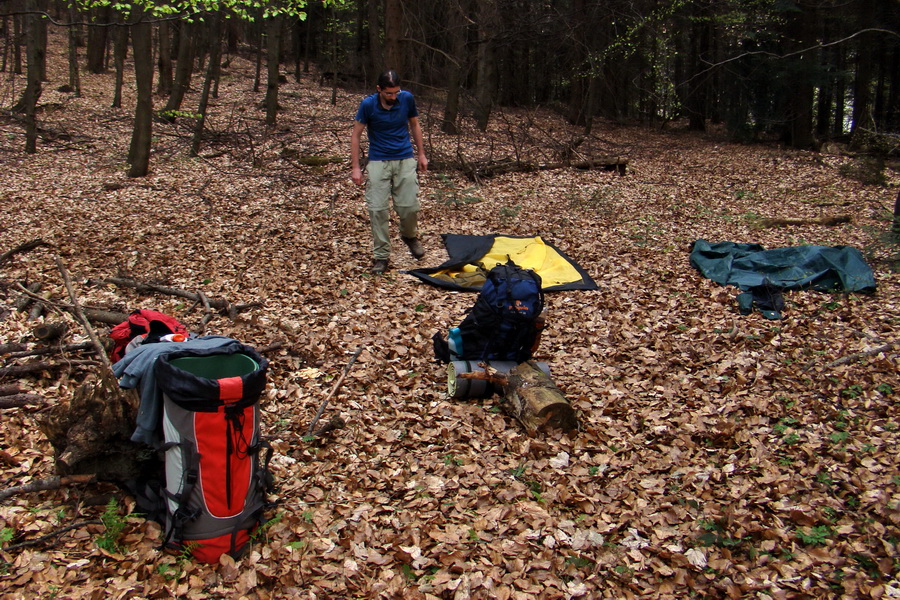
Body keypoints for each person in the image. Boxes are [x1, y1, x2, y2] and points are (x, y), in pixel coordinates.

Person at [351, 70, 428, 274]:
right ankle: (382, 256)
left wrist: (421, 154)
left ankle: (409, 236)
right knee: (377, 210)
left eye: (396, 93)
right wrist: (356, 167)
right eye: (388, 94)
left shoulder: (407, 99)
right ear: (379, 90)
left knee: (409, 206)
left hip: (404, 158)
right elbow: (356, 135)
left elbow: (415, 125)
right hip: (378, 160)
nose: (393, 97)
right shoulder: (368, 105)